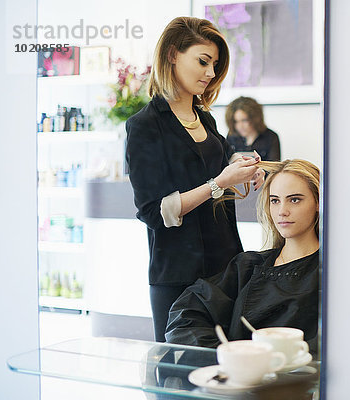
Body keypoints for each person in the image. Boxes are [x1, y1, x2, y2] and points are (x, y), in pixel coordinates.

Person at [125, 17, 264, 342]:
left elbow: (224, 160)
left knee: (228, 372)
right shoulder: (145, 126)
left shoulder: (205, 118)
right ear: (173, 55)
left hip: (226, 265)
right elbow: (154, 211)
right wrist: (219, 183)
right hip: (177, 274)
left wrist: (243, 165)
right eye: (202, 61)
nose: (210, 73)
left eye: (214, 64)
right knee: (180, 378)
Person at [165, 159, 320, 355]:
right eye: (275, 200)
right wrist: (226, 359)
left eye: (295, 199)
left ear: (318, 202)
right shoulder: (247, 267)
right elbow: (185, 315)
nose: (282, 211)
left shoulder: (331, 275)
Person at [225, 96, 281, 161]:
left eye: (244, 120)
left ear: (255, 119)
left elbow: (274, 167)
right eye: (236, 121)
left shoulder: (271, 137)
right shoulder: (231, 137)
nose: (240, 126)